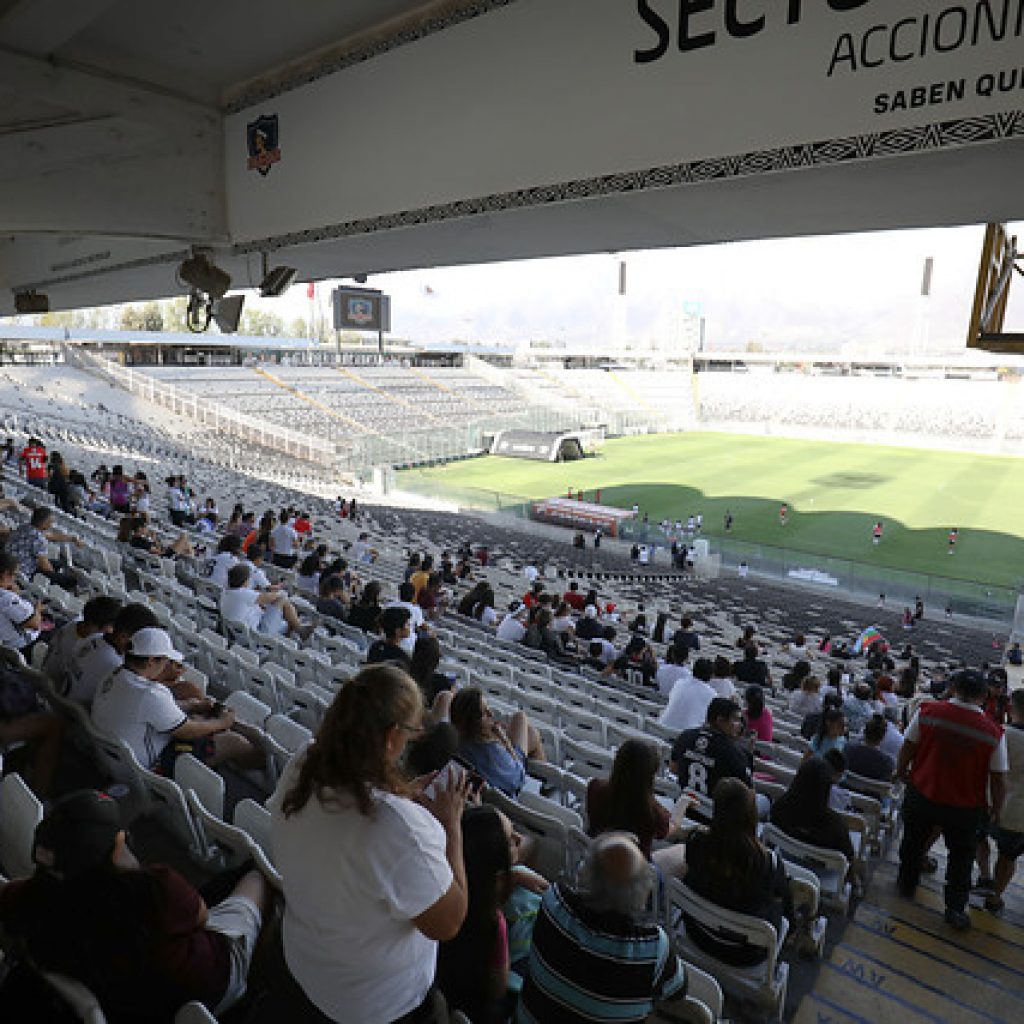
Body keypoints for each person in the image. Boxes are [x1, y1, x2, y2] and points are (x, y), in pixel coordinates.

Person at [264, 665, 468, 1024]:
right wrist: (451, 825)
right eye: (410, 731)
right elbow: (448, 923)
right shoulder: (396, 826)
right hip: (374, 1005)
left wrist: (401, 798)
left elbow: (352, 820)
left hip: (305, 964)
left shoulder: (305, 761)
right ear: (392, 737)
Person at [0, 789, 271, 1022]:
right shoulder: (155, 888)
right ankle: (259, 979)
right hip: (210, 978)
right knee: (257, 877)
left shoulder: (32, 900)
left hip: (127, 1006)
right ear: (117, 846)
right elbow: (200, 919)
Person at [516, 833, 687, 1024]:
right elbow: (678, 992)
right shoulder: (655, 948)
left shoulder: (553, 902)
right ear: (643, 893)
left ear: (584, 873)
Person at [897, 669, 1008, 930]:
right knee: (961, 857)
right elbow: (998, 778)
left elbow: (908, 747)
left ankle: (906, 884)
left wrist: (902, 771)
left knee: (913, 842)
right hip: (965, 808)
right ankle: (955, 908)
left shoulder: (927, 712)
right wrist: (997, 809)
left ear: (953, 688)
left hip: (922, 794)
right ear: (983, 696)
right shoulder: (993, 732)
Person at [92, 627, 257, 773]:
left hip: (110, 756)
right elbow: (187, 730)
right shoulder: (150, 693)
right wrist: (223, 723)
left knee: (199, 718)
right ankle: (266, 770)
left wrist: (192, 705)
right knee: (233, 741)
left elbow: (147, 710)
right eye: (166, 660)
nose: (167, 665)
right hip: (143, 769)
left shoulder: (114, 674)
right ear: (151, 661)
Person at [681, 778, 794, 966]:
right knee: (781, 903)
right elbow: (786, 905)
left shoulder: (696, 841)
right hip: (744, 954)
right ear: (751, 815)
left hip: (697, 932)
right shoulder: (768, 862)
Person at [436, 805, 513, 1024]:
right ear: (495, 869)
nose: (519, 839)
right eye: (510, 840)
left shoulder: (436, 896)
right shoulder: (493, 922)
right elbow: (499, 988)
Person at [586, 739, 687, 875]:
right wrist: (683, 804)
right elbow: (669, 829)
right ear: (650, 774)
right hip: (634, 873)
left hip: (597, 859)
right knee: (683, 850)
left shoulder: (595, 787)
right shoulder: (652, 811)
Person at [450, 687, 545, 796]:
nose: (491, 714)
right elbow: (519, 778)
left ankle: (544, 782)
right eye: (484, 713)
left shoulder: (457, 741)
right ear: (473, 722)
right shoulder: (491, 752)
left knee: (529, 730)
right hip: (511, 795)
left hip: (494, 780)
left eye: (488, 708)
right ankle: (544, 784)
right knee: (526, 723)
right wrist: (505, 742)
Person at [978, 688, 1024, 913]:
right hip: (1019, 814)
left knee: (979, 837)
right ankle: (995, 896)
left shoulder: (999, 733)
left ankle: (984, 875)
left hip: (988, 800)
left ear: (1011, 708)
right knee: (1008, 857)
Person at [65, 602, 159, 706]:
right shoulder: (114, 664)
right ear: (123, 637)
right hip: (76, 712)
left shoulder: (94, 638)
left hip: (67, 700)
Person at [770, 757, 856, 862]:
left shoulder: (779, 808)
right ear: (827, 787)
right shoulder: (836, 826)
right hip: (821, 876)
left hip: (784, 864)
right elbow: (849, 858)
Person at [670, 698, 753, 807]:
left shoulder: (685, 736)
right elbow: (747, 796)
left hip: (683, 807)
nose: (740, 725)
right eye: (736, 720)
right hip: (717, 816)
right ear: (720, 721)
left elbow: (673, 768)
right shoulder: (736, 752)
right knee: (766, 799)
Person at [42, 593, 122, 688]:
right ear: (96, 626)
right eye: (111, 626)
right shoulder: (82, 644)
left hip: (47, 678)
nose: (112, 631)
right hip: (53, 690)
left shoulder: (73, 624)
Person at [220, 563, 309, 640]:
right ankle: (300, 630)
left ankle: (296, 629)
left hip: (235, 632)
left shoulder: (226, 592)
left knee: (279, 611)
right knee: (282, 599)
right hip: (256, 635)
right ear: (244, 581)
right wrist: (279, 593)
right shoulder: (243, 593)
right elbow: (273, 597)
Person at [8, 505, 84, 591]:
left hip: (12, 564)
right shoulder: (38, 539)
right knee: (70, 580)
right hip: (24, 571)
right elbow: (45, 566)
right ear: (44, 524)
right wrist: (55, 576)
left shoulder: (23, 527)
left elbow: (50, 536)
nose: (51, 525)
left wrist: (73, 539)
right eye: (50, 522)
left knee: (60, 563)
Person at [659, 656, 715, 734]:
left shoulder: (679, 682)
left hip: (660, 728)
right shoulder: (712, 694)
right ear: (711, 675)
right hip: (684, 737)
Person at [0, 552, 43, 652]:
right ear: (6, 574)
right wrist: (38, 610)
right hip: (22, 646)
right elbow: (35, 624)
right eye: (14, 574)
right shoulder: (7, 599)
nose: (14, 579)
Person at [844, 713, 896, 782]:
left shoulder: (848, 748)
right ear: (883, 736)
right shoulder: (888, 762)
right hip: (872, 792)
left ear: (864, 732)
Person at [366, 606, 414, 670]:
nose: (410, 627)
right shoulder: (402, 658)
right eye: (408, 624)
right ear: (398, 631)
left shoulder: (375, 646)